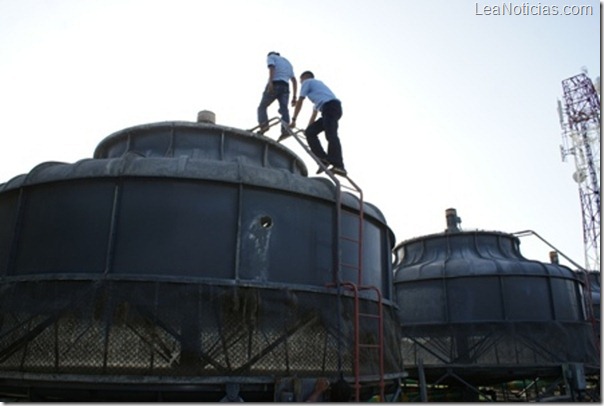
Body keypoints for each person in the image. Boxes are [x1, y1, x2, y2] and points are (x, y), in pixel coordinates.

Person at [290, 71, 346, 176]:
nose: (301, 83)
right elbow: (314, 115)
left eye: (300, 80)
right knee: (310, 132)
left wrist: (293, 120)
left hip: (331, 107)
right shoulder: (318, 93)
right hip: (329, 109)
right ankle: (323, 158)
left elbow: (300, 101)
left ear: (304, 78)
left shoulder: (308, 82)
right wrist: (307, 129)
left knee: (331, 134)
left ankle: (339, 165)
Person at [257, 51, 297, 138]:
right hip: (286, 87)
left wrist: (270, 82)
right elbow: (294, 80)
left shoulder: (271, 57)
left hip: (275, 84)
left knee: (262, 107)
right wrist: (294, 97)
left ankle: (264, 126)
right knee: (284, 109)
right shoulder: (287, 62)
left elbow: (272, 68)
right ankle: (285, 130)